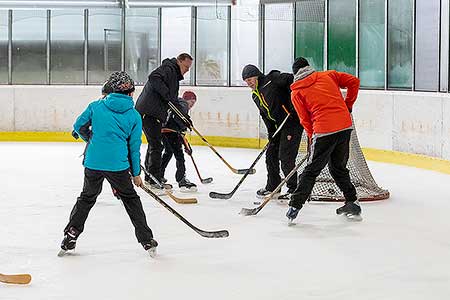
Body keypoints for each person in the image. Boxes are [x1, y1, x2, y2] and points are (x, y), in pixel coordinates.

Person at [60, 71, 158, 257]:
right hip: (118, 166)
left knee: (87, 198)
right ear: (130, 93)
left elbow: (78, 127)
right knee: (130, 199)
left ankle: (71, 234)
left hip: (93, 163)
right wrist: (136, 173)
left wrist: (90, 139)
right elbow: (133, 148)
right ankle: (146, 240)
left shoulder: (96, 106)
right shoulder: (134, 116)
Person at [286, 57, 362, 222]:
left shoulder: (296, 92)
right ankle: (352, 201)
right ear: (309, 67)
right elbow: (354, 82)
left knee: (311, 170)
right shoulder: (328, 75)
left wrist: (312, 135)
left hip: (323, 130)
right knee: (338, 168)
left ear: (295, 74)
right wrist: (348, 105)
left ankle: (294, 206)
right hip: (344, 127)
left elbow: (305, 119)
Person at [242, 64, 303, 198]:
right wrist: (271, 132)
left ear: (257, 76)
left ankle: (294, 189)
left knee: (285, 157)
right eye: (246, 81)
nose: (249, 83)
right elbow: (265, 115)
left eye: (250, 79)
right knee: (270, 155)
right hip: (278, 127)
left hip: (292, 122)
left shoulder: (272, 79)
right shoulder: (255, 96)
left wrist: (293, 103)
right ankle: (273, 186)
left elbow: (291, 80)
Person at [135, 53, 193, 191]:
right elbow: (153, 77)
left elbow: (173, 102)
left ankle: (151, 177)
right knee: (157, 145)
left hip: (151, 113)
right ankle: (154, 178)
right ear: (179, 62)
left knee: (154, 144)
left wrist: (186, 119)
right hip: (148, 113)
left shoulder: (173, 77)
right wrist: (165, 93)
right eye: (186, 66)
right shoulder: (169, 69)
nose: (187, 70)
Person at [160, 91, 198, 192]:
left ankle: (159, 175)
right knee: (179, 156)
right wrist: (186, 124)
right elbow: (179, 122)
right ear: (187, 100)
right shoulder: (183, 104)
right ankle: (182, 180)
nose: (192, 105)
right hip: (172, 132)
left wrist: (187, 145)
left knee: (168, 152)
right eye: (192, 102)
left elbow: (180, 128)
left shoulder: (176, 103)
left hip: (164, 131)